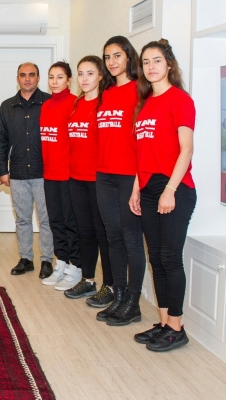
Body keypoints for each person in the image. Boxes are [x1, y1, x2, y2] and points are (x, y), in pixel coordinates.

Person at [130, 39, 196, 352]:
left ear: (168, 64)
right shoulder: (143, 104)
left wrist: (170, 189)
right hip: (148, 188)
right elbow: (141, 154)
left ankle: (177, 327)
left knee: (170, 259)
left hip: (176, 189)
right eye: (146, 62)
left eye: (157, 60)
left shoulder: (179, 99)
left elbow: (186, 150)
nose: (151, 66)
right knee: (156, 260)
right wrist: (136, 189)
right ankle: (163, 322)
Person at [95, 36, 147, 326]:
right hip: (103, 175)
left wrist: (139, 182)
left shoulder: (140, 90)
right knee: (112, 237)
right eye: (107, 57)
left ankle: (133, 303)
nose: (112, 62)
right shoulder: (106, 92)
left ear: (129, 57)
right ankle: (118, 295)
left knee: (130, 239)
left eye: (117, 55)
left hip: (129, 176)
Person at [0, 62, 53, 276]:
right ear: (17, 79)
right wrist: (2, 170)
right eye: (22, 75)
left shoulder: (49, 102)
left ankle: (47, 260)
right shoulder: (7, 106)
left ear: (38, 78)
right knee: (23, 219)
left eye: (31, 75)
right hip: (17, 173)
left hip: (45, 173)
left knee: (46, 219)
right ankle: (26, 258)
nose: (27, 79)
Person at [63, 56, 113, 304]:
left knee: (103, 233)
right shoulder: (77, 103)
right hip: (76, 179)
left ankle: (110, 285)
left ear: (101, 76)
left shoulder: (105, 105)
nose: (84, 79)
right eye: (81, 74)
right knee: (84, 232)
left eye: (90, 73)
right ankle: (88, 280)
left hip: (99, 180)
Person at [39, 62, 81, 289]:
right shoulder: (46, 105)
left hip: (67, 175)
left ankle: (76, 266)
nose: (54, 81)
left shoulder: (74, 103)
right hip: (49, 174)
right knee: (55, 222)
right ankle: (61, 262)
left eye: (60, 77)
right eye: (51, 77)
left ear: (69, 80)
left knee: (70, 223)